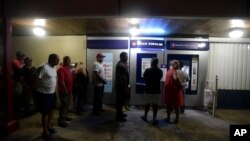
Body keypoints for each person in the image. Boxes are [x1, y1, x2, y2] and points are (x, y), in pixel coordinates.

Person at [33, 54, 59, 140]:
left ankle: (48, 126)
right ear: (51, 59)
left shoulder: (54, 68)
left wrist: (56, 93)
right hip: (43, 94)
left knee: (52, 110)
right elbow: (35, 79)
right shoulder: (43, 67)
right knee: (45, 113)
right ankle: (45, 131)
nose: (58, 61)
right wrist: (34, 93)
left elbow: (54, 81)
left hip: (52, 94)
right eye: (57, 59)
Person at [141, 58, 163, 125]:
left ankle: (145, 116)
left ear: (152, 63)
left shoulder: (147, 70)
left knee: (147, 103)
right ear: (157, 63)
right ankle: (154, 119)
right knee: (155, 105)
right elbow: (160, 78)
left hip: (148, 89)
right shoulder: (160, 71)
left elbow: (144, 78)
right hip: (156, 90)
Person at [57, 56, 73, 127]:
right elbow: (61, 81)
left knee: (67, 104)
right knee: (64, 105)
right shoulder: (61, 69)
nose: (70, 62)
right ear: (65, 61)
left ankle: (65, 116)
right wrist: (65, 89)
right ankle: (61, 120)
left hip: (69, 90)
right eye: (69, 60)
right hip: (64, 91)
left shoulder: (68, 69)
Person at [115, 52, 129, 122]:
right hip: (121, 87)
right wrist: (125, 87)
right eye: (126, 57)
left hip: (122, 86)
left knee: (121, 101)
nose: (127, 58)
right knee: (120, 102)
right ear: (122, 57)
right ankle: (119, 117)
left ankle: (121, 113)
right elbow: (123, 77)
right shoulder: (121, 65)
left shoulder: (121, 64)